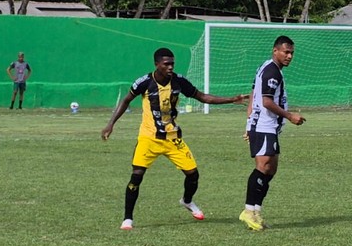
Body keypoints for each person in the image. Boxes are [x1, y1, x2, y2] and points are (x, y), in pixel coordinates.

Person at [101, 48, 245, 230]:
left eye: (172, 64)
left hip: (172, 138)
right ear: (157, 64)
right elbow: (127, 100)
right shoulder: (144, 82)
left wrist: (232, 99)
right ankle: (128, 218)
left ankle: (187, 201)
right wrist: (110, 124)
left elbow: (202, 97)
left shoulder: (179, 81)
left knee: (193, 174)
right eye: (166, 64)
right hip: (149, 138)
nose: (170, 67)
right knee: (137, 175)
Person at [242, 35, 306, 231]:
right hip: (263, 125)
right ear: (275, 51)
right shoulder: (273, 72)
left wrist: (248, 121)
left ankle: (256, 211)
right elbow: (267, 101)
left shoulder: (268, 67)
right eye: (286, 52)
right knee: (263, 167)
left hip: (264, 125)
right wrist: (289, 116)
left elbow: (254, 93)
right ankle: (248, 211)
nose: (289, 56)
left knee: (271, 169)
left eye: (292, 53)